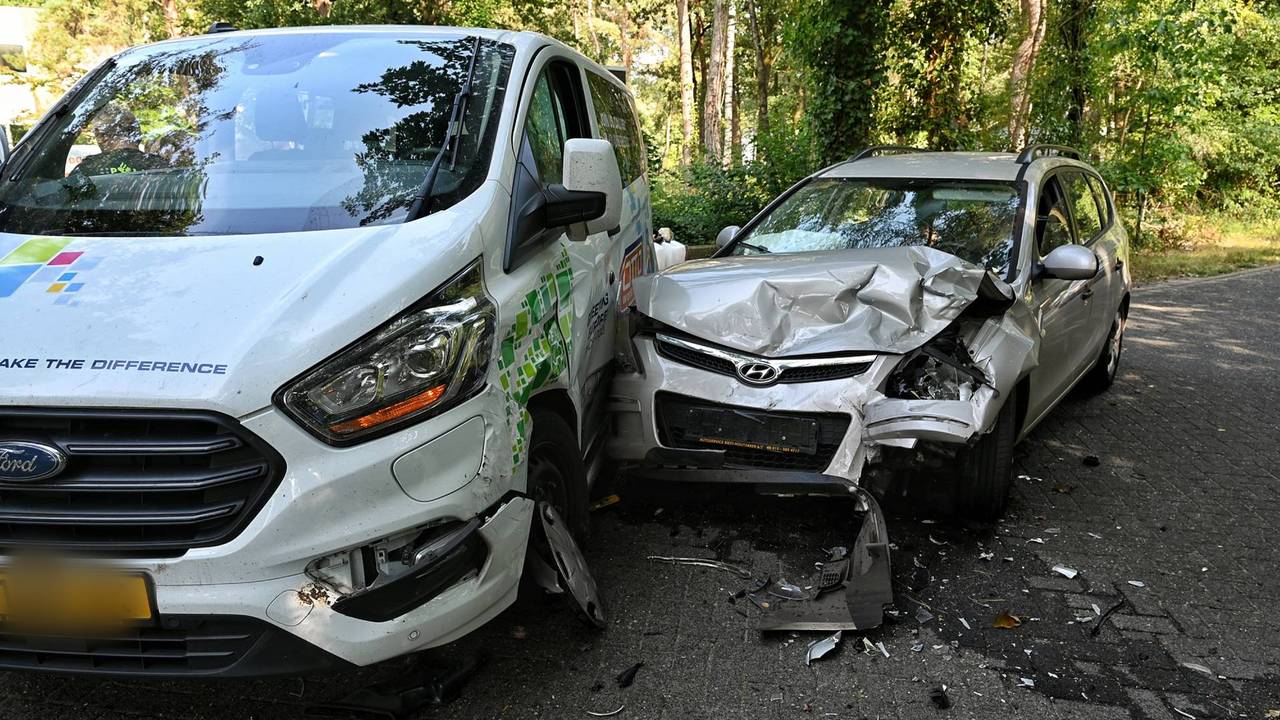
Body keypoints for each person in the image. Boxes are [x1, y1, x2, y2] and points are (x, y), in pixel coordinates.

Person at [72, 105, 170, 176]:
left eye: (96, 135)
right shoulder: (162, 167)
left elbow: (61, 197)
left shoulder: (89, 168)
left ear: (102, 136)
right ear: (138, 133)